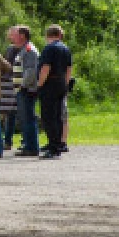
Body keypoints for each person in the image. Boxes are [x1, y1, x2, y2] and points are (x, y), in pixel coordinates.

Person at [36, 24, 72, 159]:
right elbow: (69, 69)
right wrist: (65, 84)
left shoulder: (49, 48)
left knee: (48, 116)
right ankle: (57, 143)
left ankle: (53, 146)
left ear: (48, 35)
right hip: (61, 82)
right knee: (58, 115)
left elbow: (46, 67)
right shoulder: (65, 48)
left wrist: (39, 84)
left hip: (50, 83)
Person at [11, 25, 41, 157]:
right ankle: (28, 145)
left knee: (28, 118)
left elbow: (30, 71)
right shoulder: (24, 49)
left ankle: (31, 147)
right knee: (25, 118)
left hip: (27, 90)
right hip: (23, 90)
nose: (12, 37)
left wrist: (23, 86)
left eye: (15, 35)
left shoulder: (28, 50)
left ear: (22, 36)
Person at [0, 26, 21, 151]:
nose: (9, 37)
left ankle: (8, 140)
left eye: (11, 34)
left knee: (10, 114)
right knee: (11, 114)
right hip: (13, 83)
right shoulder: (18, 49)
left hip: (10, 84)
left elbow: (7, 66)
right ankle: (8, 140)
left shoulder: (12, 49)